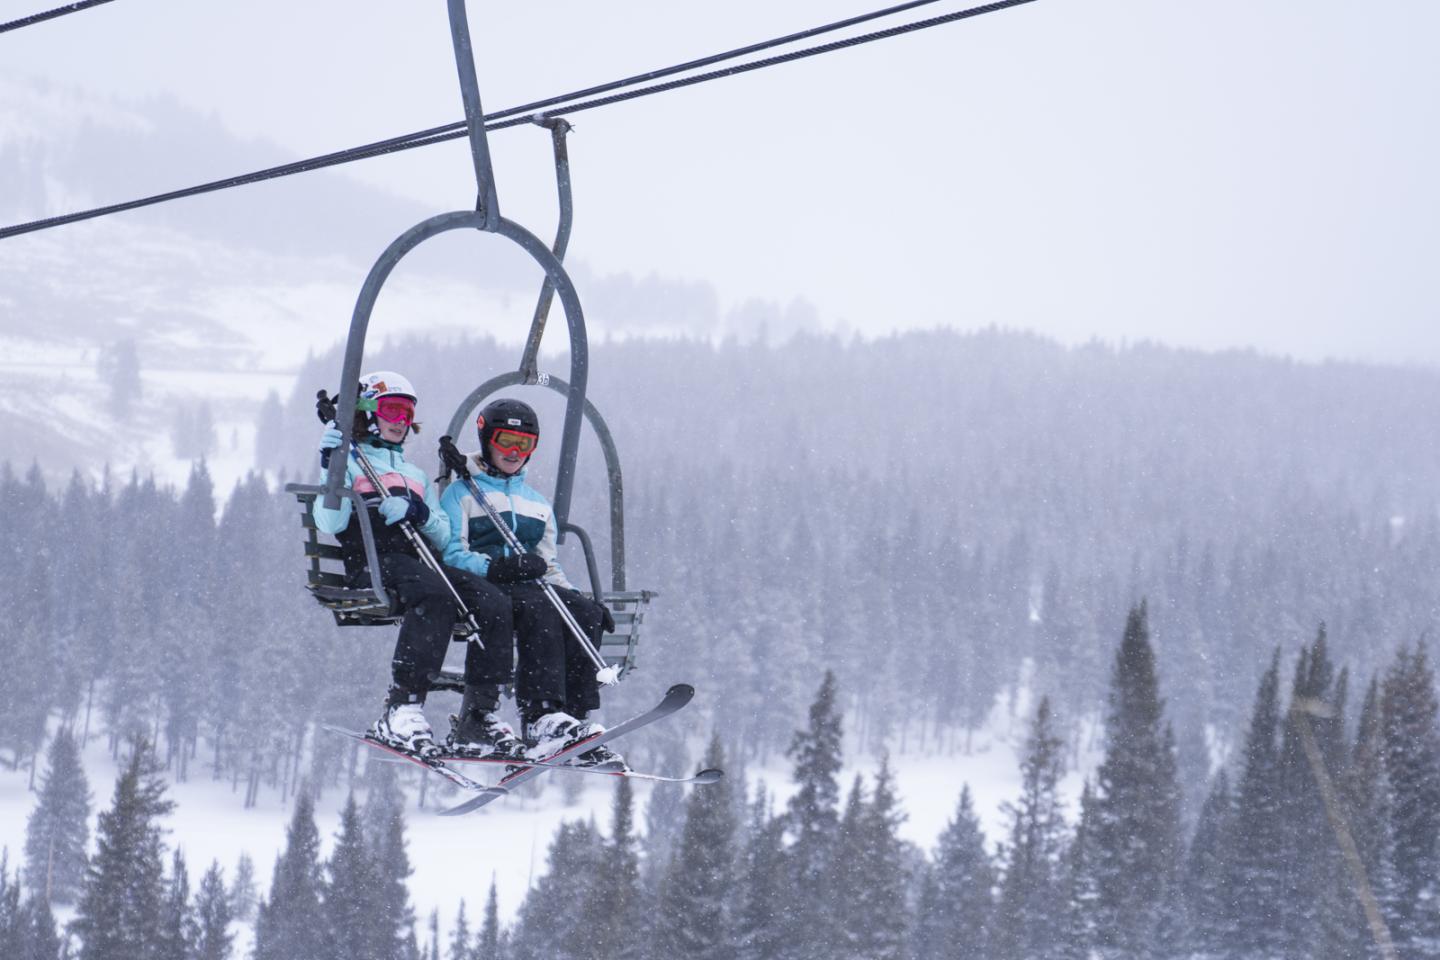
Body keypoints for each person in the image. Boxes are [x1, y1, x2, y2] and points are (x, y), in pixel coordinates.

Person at [312, 371, 519, 759]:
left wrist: (418, 510)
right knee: (435, 595)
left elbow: (441, 534)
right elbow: (330, 523)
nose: (399, 421)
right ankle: (402, 706)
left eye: (407, 414)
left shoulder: (415, 475)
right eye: (391, 410)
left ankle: (479, 712)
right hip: (373, 562)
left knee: (493, 600)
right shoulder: (351, 463)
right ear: (368, 412)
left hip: (418, 561)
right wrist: (331, 468)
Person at [440, 397, 620, 764]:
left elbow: (547, 566)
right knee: (539, 608)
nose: (514, 451)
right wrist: (495, 567)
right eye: (506, 440)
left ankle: (573, 720)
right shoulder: (460, 494)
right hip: (483, 584)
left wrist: (576, 597)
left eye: (524, 444)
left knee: (581, 613)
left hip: (525, 586)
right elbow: (451, 553)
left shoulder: (536, 504)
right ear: (487, 439)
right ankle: (539, 715)